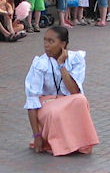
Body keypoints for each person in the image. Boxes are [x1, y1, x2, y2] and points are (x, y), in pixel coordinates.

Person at [24, 25, 99, 155]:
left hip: (66, 101)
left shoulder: (76, 59)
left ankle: (77, 143)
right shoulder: (40, 63)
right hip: (46, 104)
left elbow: (74, 91)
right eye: (45, 40)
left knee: (81, 100)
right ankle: (57, 144)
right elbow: (32, 100)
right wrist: (36, 136)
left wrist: (61, 65)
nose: (46, 45)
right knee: (54, 111)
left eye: (51, 41)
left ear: (63, 44)